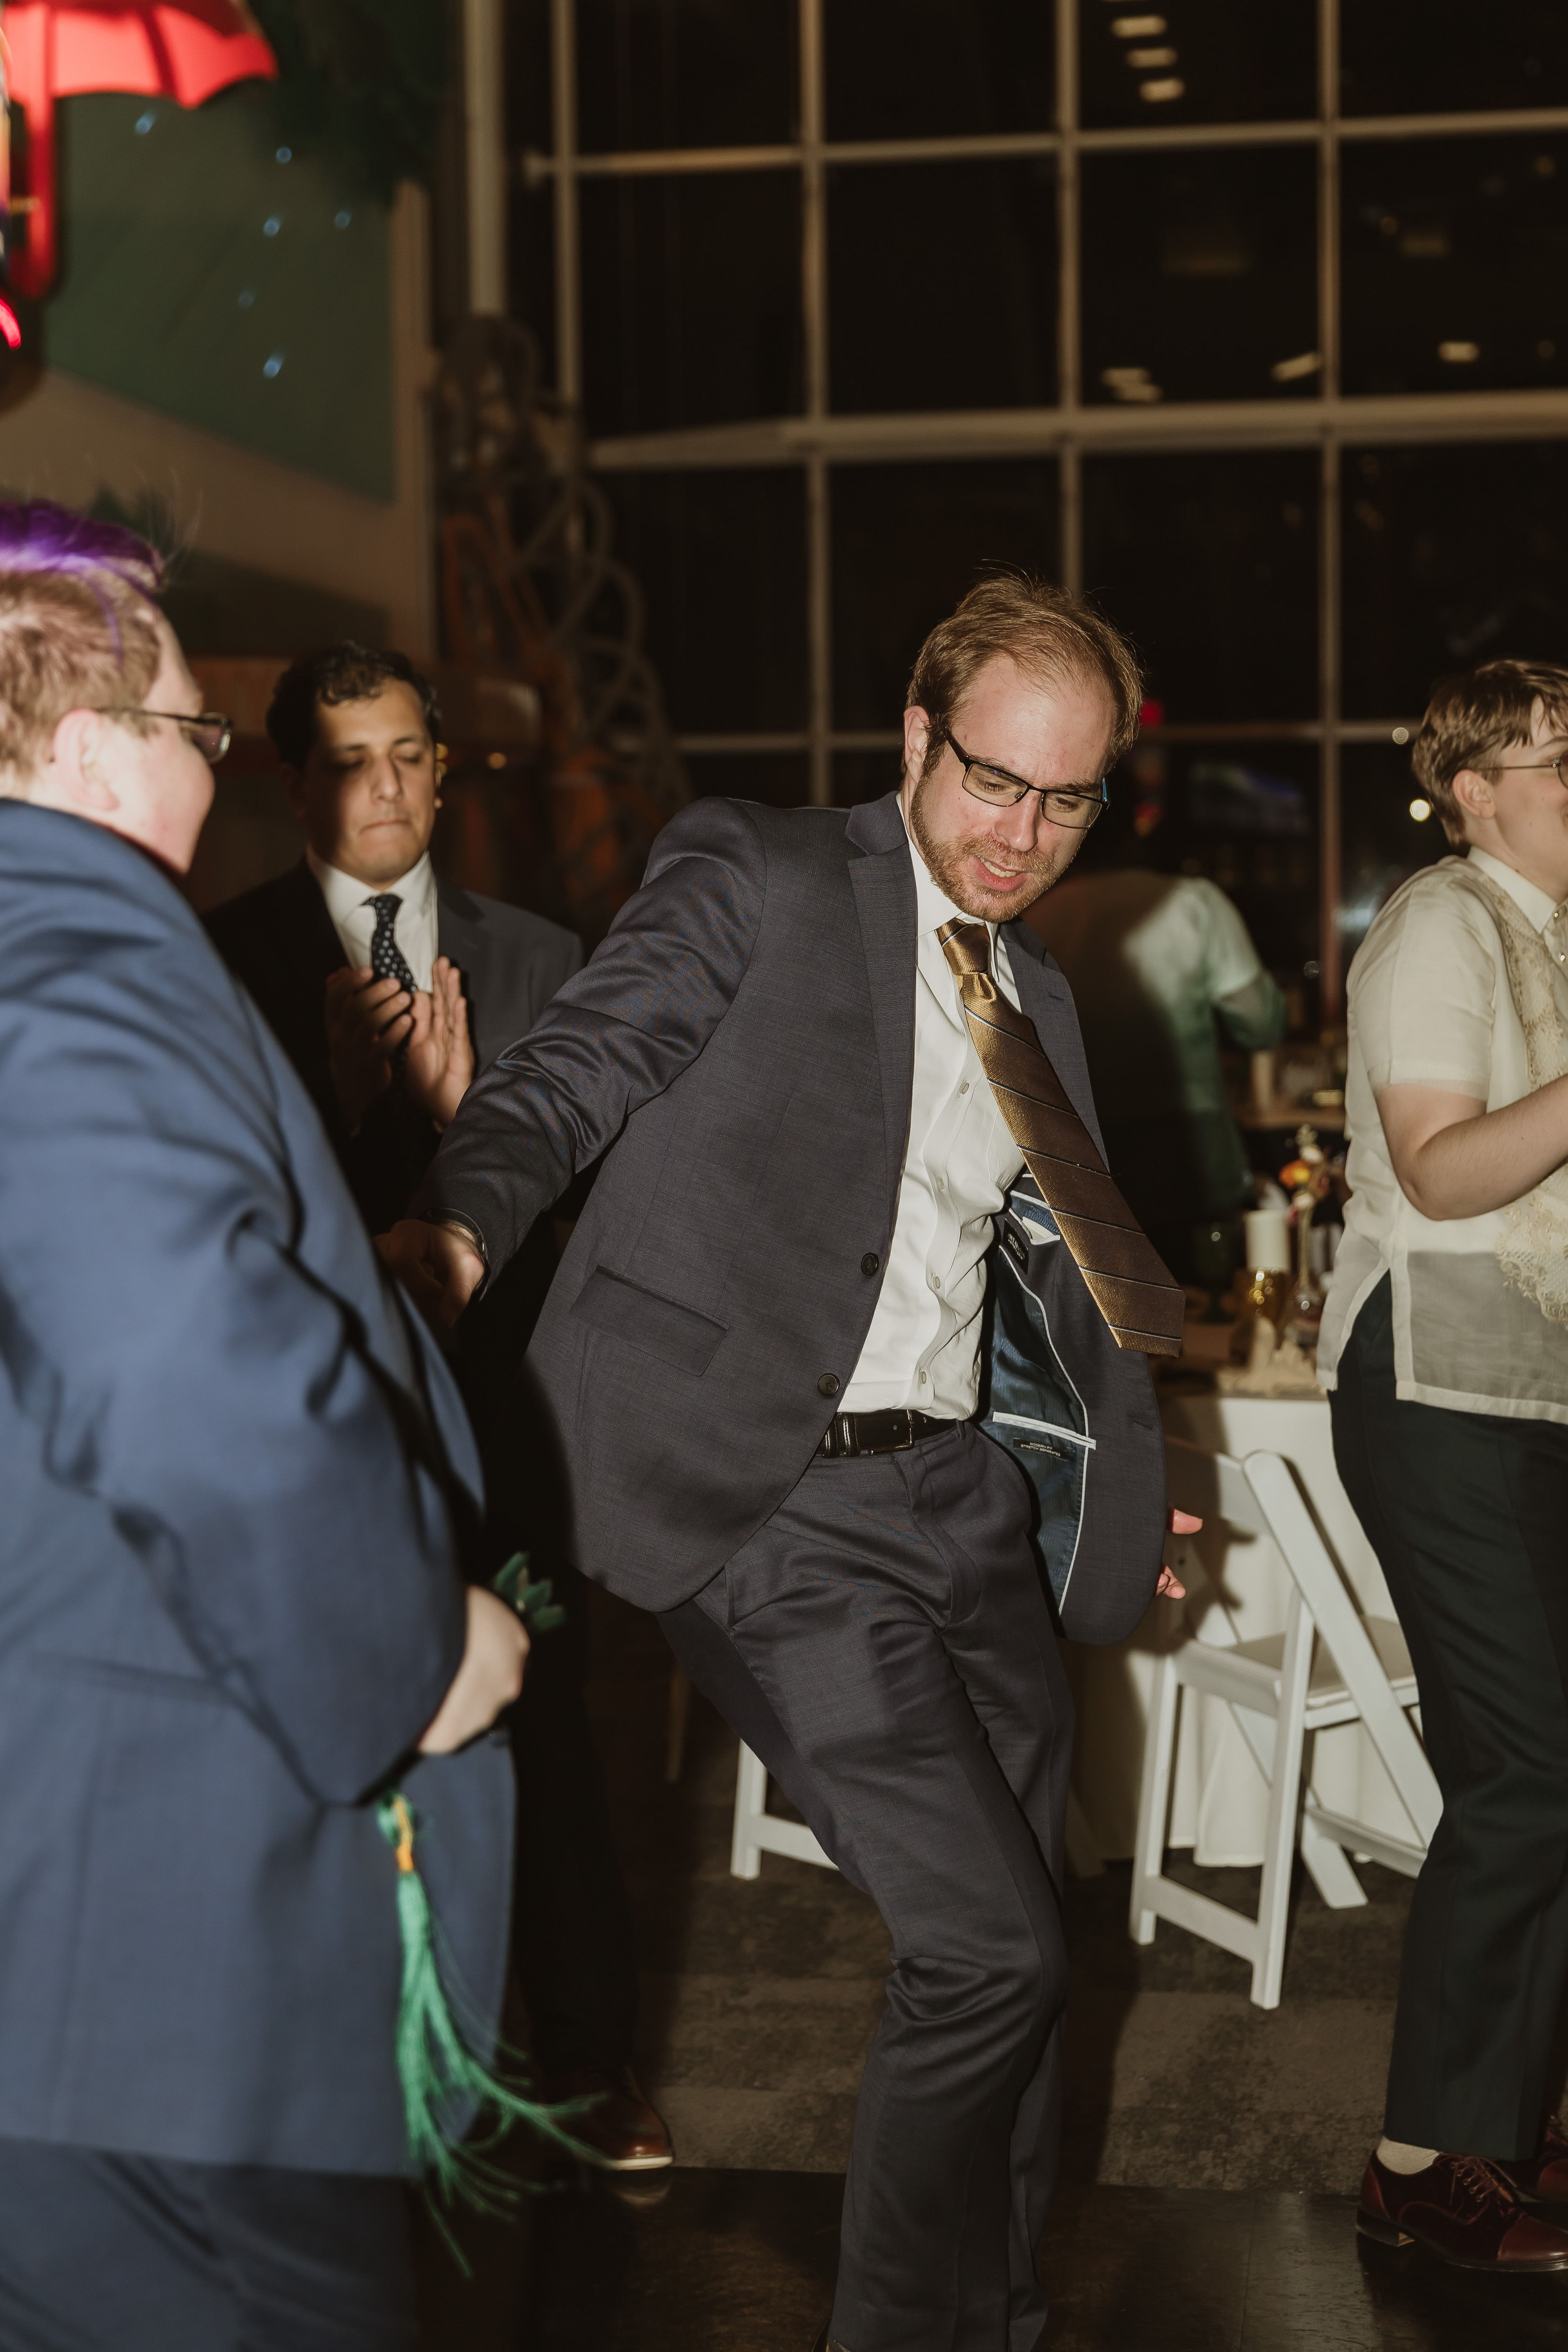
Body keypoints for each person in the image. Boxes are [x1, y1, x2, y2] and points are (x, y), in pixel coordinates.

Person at [381, 571, 1197, 2352]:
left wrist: (1116, 1482)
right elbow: (575, 1069)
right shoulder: (760, 870)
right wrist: (457, 1228)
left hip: (964, 1504)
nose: (1019, 835)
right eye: (992, 779)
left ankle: (999, 2317)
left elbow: (1046, 1274)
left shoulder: (1037, 995)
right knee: (985, 1950)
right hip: (775, 1500)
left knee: (1030, 1955)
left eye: (1066, 801)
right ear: (915, 735)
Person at [0, 503, 528, 2348]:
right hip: (145, 1966)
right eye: (192, 730)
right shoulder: (72, 952)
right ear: (84, 748)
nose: (214, 772)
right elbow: (171, 1360)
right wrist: (406, 1648)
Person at [206, 644, 668, 2171]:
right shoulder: (221, 960)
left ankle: (592, 2064)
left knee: (554, 1733)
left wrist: (478, 1135)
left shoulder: (539, 956)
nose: (387, 786)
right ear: (294, 783)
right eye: (351, 760)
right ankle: (370, 2073)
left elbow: (607, 1217)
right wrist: (348, 1115)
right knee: (332, 1733)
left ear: (447, 769)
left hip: (505, 1421)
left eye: (410, 753)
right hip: (317, 1426)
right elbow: (224, 1222)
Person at [1319, 658, 1568, 2273]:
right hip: (1431, 1383)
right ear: (1473, 791)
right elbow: (1440, 1167)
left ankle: (1501, 2123)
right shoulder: (1436, 924)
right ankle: (1421, 2159)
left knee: (1551, 1768)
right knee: (1529, 1772)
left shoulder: (1547, 936)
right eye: (1564, 762)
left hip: (1530, 1386)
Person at [1027, 866, 1285, 1279]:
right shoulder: (1194, 902)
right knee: (1206, 1295)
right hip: (1191, 1155)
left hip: (1082, 1156)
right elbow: (1260, 1023)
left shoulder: (1040, 911)